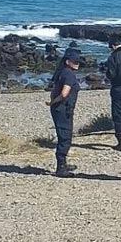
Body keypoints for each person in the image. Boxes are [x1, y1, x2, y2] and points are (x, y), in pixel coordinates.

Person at [46, 48, 81, 178]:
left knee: (63, 135)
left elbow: (54, 90)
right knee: (65, 136)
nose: (77, 63)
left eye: (78, 61)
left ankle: (63, 163)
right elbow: (64, 93)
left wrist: (52, 102)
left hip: (59, 109)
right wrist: (54, 102)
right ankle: (60, 167)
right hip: (63, 109)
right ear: (68, 62)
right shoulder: (68, 74)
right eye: (74, 61)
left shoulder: (61, 72)